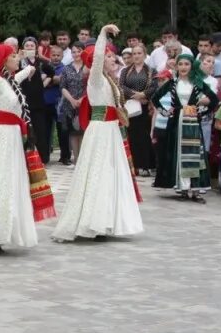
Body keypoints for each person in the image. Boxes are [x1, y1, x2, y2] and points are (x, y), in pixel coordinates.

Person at [0, 28, 54, 254]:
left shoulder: (11, 82)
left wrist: (32, 67)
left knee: (7, 184)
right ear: (4, 60)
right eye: (13, 55)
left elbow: (21, 76)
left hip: (12, 138)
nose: (18, 58)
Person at [53, 25, 143, 241]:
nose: (113, 59)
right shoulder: (95, 79)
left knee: (111, 174)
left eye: (113, 56)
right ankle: (93, 221)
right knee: (97, 174)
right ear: (99, 60)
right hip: (100, 131)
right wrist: (103, 33)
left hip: (111, 131)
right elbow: (96, 58)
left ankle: (106, 220)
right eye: (109, 56)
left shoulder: (110, 80)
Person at [152, 54, 219, 202]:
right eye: (180, 64)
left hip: (192, 123)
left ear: (192, 66)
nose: (183, 67)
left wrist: (202, 113)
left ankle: (195, 190)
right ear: (176, 67)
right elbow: (155, 98)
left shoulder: (198, 83)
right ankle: (182, 188)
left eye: (186, 64)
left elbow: (214, 100)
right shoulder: (172, 83)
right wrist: (165, 112)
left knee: (195, 154)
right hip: (176, 123)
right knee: (179, 154)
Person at [118, 43, 156, 176]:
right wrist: (135, 95)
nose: (136, 56)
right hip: (131, 106)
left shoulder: (151, 71)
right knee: (132, 135)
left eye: (139, 53)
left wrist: (144, 95)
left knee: (144, 136)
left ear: (145, 55)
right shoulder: (125, 70)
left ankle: (146, 165)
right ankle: (134, 165)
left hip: (145, 107)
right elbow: (121, 85)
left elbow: (154, 86)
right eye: (134, 54)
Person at [17, 36, 55, 164]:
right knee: (25, 129)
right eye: (27, 46)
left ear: (35, 48)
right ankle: (24, 157)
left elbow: (51, 72)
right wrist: (19, 58)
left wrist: (44, 83)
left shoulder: (40, 63)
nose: (29, 48)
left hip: (38, 101)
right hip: (23, 101)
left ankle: (42, 158)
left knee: (40, 129)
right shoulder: (20, 63)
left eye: (31, 46)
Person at [58, 41, 86, 166]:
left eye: (78, 51)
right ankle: (76, 158)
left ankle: (84, 160)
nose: (76, 54)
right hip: (70, 104)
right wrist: (72, 100)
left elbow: (91, 85)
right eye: (73, 52)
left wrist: (82, 99)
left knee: (84, 131)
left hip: (85, 103)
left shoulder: (88, 67)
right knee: (73, 132)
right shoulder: (66, 68)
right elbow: (63, 87)